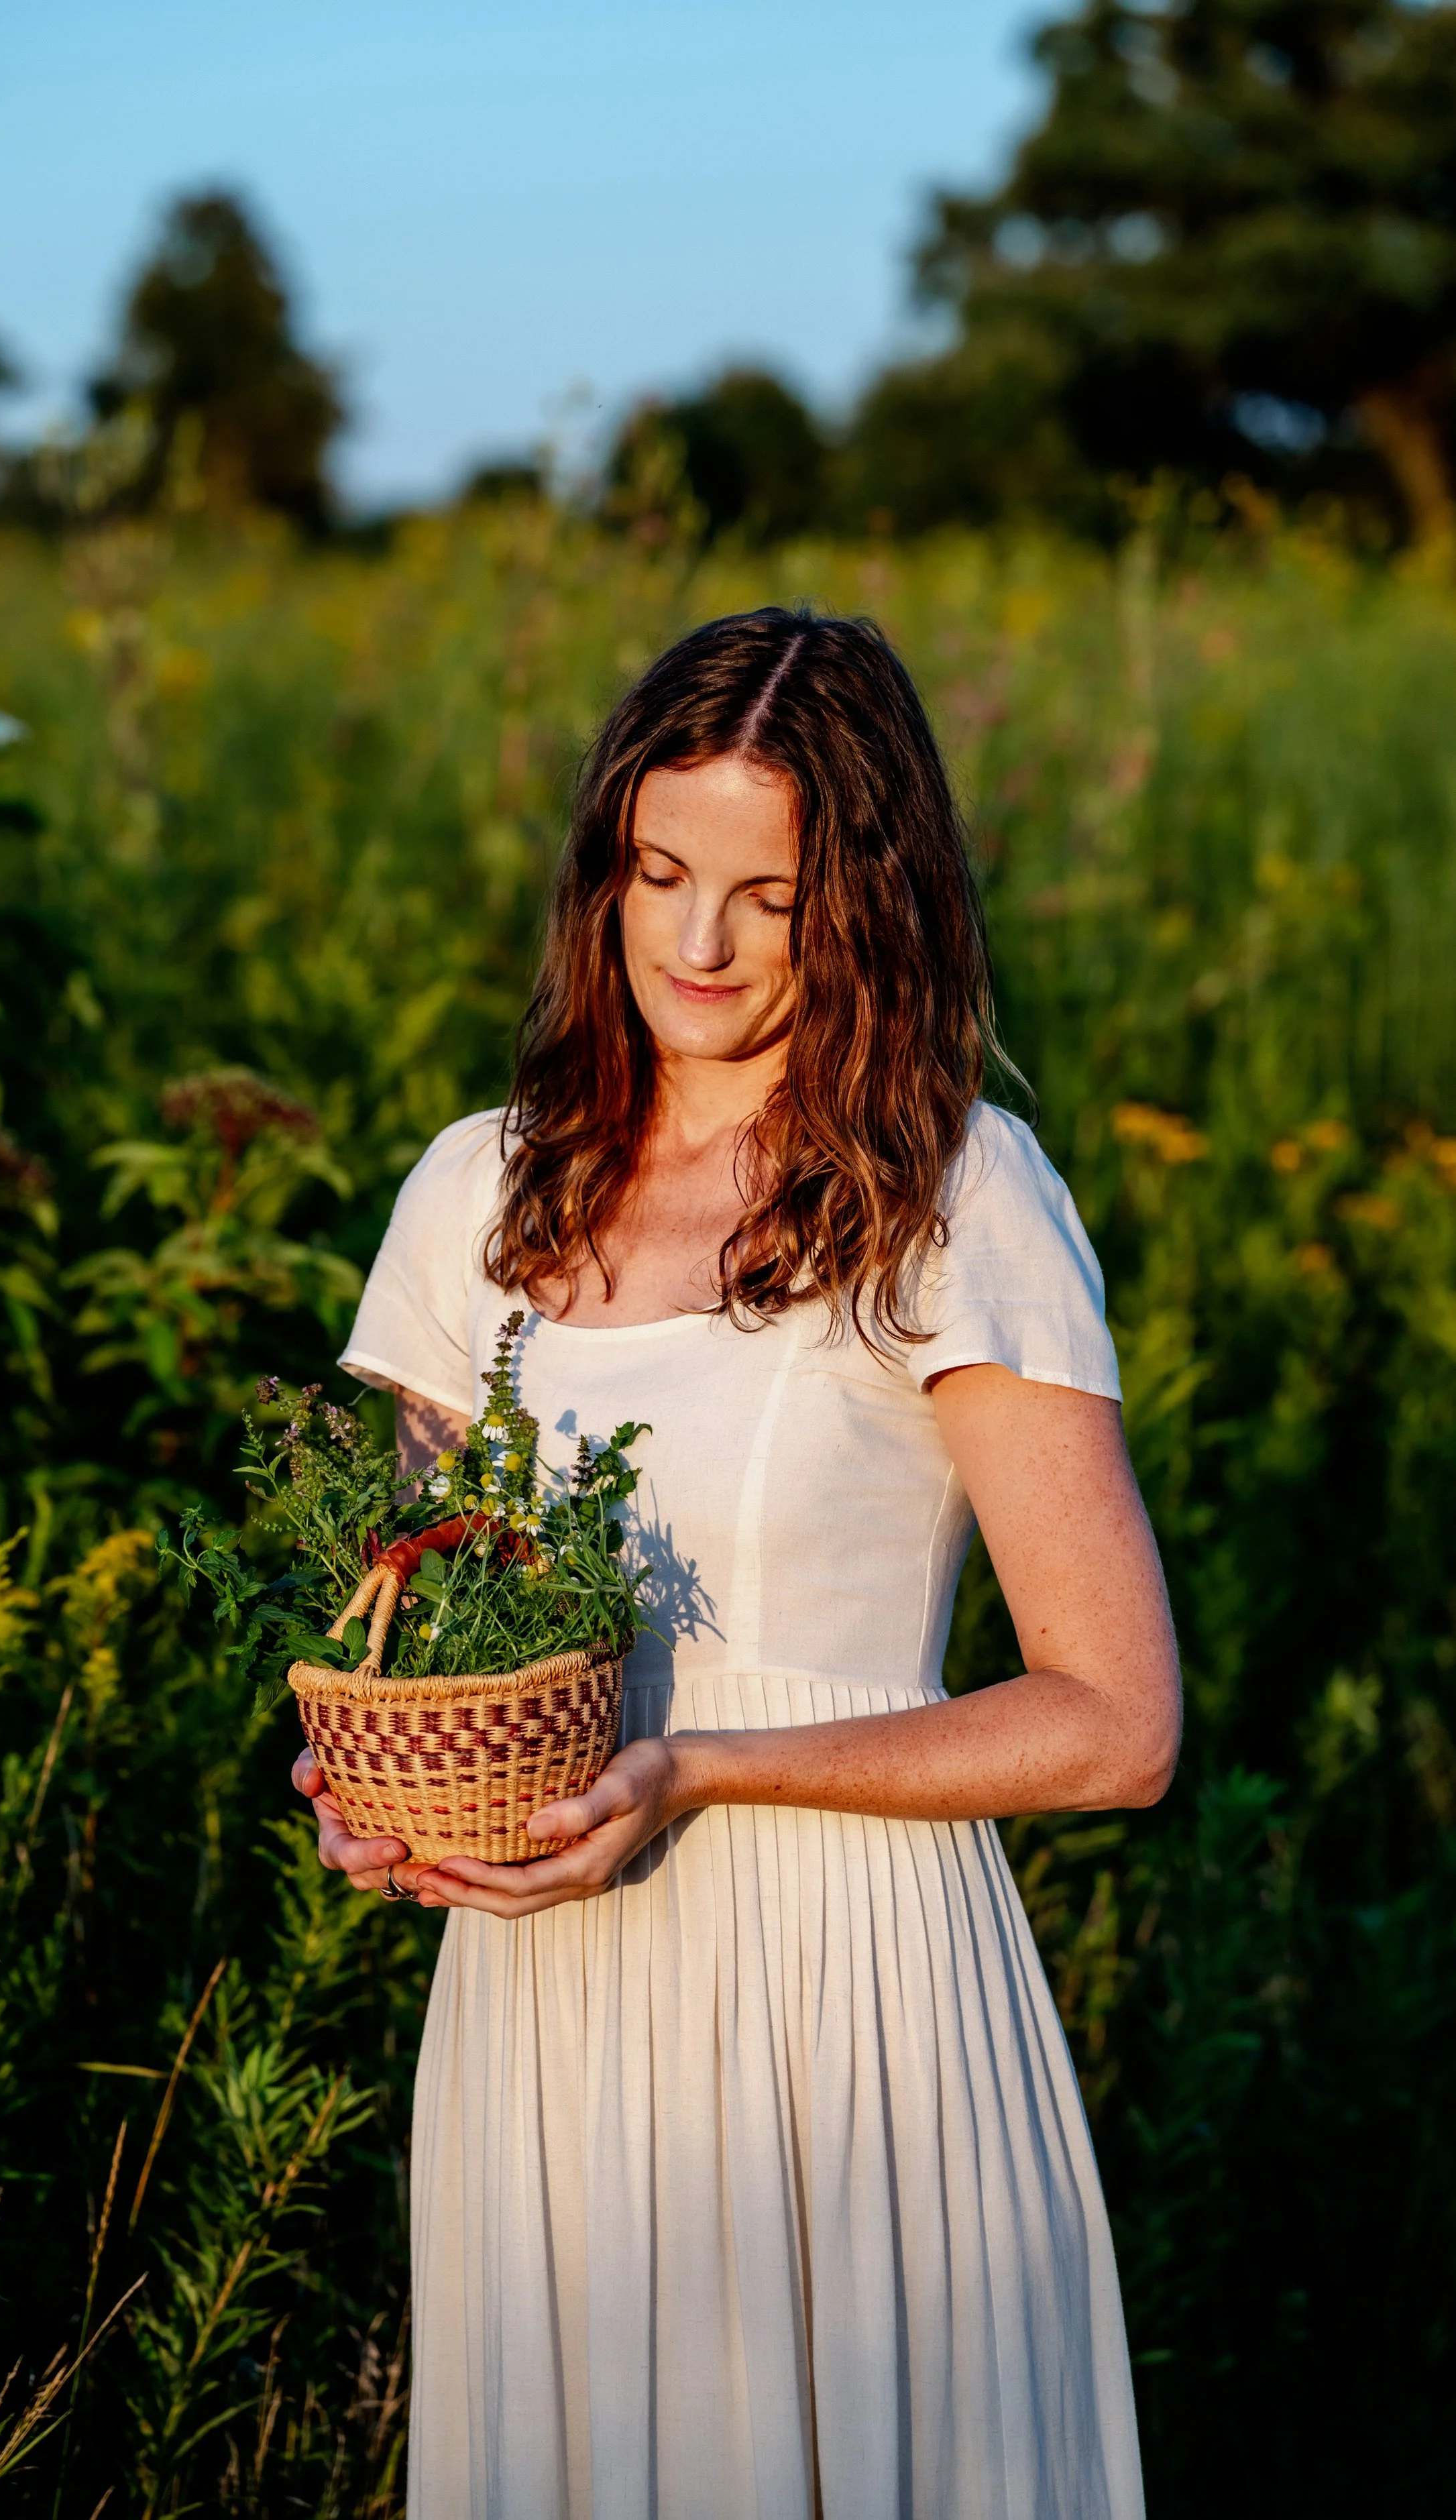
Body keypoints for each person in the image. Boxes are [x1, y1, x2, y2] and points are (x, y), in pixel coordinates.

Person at [294, 606, 1180, 2520]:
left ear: (861, 902)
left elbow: (1115, 1722)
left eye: (765, 897)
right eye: (658, 873)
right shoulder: (477, 1188)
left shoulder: (953, 1189)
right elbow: (420, 1622)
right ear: (604, 865)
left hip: (844, 1997)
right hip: (548, 1998)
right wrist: (369, 1785)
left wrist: (694, 1765)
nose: (695, 947)